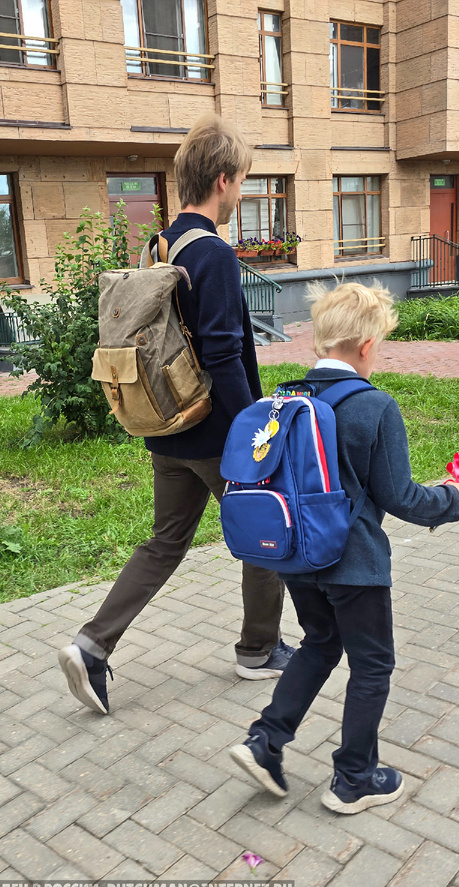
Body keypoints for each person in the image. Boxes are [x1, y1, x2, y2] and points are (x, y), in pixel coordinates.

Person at [58, 113, 289, 715]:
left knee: (165, 542)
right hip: (215, 430)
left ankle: (91, 646)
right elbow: (222, 354)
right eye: (241, 180)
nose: (241, 192)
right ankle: (259, 650)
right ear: (221, 180)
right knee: (266, 534)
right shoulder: (210, 252)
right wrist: (258, 432)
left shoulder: (160, 244)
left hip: (168, 428)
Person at [227, 282, 459, 814]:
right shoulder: (373, 406)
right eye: (380, 344)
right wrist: (453, 499)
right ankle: (356, 778)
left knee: (319, 643)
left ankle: (265, 742)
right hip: (354, 564)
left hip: (297, 556)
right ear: (366, 345)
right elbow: (401, 497)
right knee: (372, 665)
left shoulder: (289, 400)